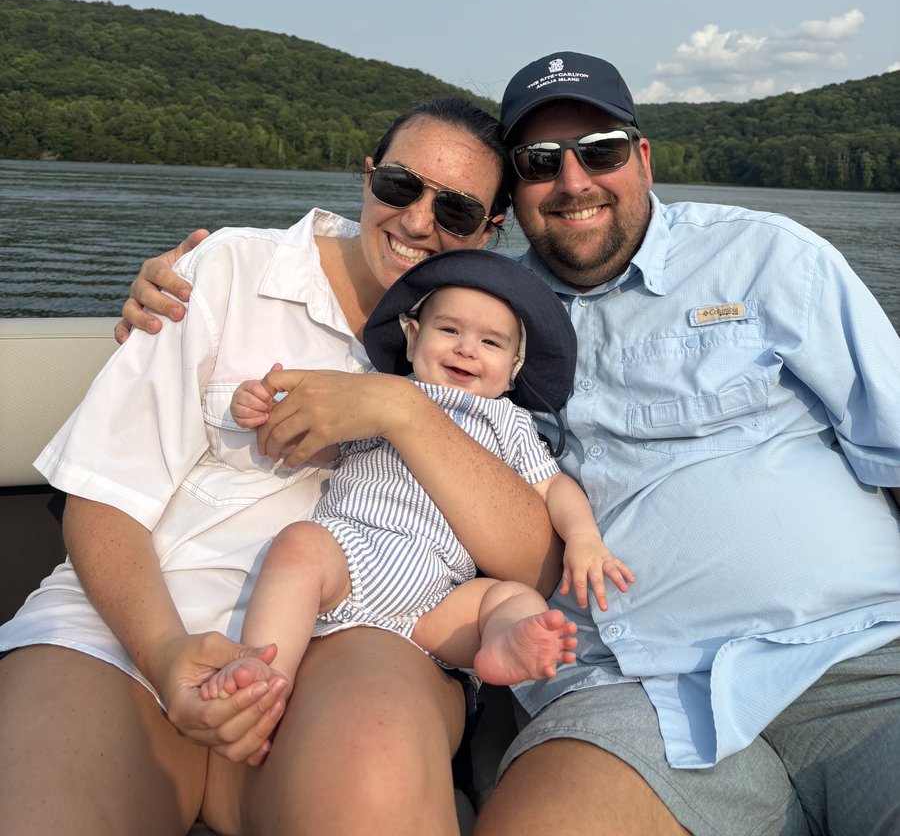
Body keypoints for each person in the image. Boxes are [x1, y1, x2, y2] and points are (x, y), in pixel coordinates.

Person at [120, 52, 900, 836]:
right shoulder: (487, 305)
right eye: (538, 163)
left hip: (855, 658)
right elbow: (345, 289)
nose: (573, 181)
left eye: (600, 150)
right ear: (511, 202)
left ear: (643, 156)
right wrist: (181, 291)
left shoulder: (769, 260)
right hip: (629, 696)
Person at [0, 97, 566, 836]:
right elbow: (105, 494)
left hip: (363, 630)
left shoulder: (484, 345)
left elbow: (533, 565)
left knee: (374, 784)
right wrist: (168, 654)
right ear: (368, 179)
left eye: (457, 210)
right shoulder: (229, 269)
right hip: (130, 626)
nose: (419, 221)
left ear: (491, 230)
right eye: (400, 186)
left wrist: (403, 409)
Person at [201, 249, 634, 703]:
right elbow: (320, 442)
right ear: (412, 339)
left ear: (513, 371)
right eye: (448, 330)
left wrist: (584, 537)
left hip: (439, 594)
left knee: (508, 599)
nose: (466, 348)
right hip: (351, 551)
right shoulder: (377, 392)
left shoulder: (508, 422)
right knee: (298, 545)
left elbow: (553, 486)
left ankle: (505, 642)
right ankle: (263, 671)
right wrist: (267, 411)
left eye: (491, 343)